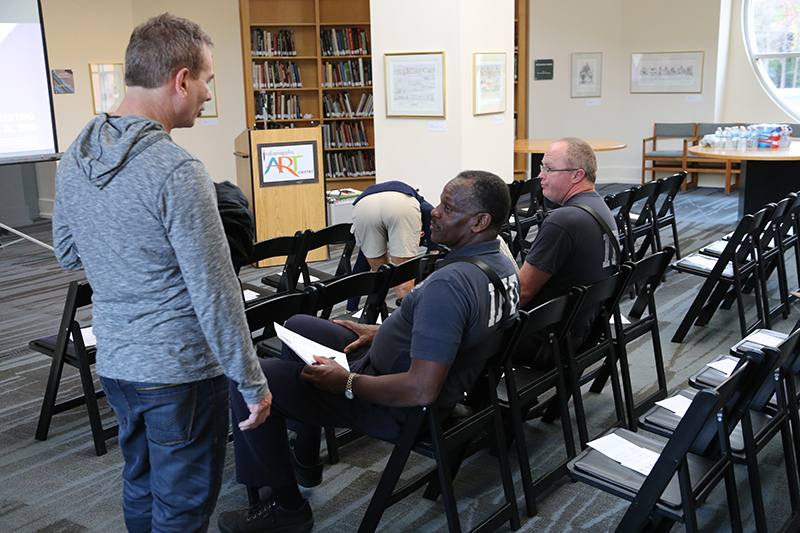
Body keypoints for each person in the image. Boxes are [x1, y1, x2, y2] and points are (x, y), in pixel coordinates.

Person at [51, 13, 271, 532]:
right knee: (184, 506)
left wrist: (125, 260)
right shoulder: (178, 171)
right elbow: (217, 295)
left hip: (118, 361)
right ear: (180, 80)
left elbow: (67, 253)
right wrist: (253, 383)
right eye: (208, 83)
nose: (208, 96)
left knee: (142, 484)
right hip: (180, 371)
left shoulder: (74, 157)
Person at [218, 171, 520, 533]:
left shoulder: (451, 284)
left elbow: (420, 389)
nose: (434, 212)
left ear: (479, 222)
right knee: (300, 324)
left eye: (448, 207)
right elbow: (454, 332)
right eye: (439, 202)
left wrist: (345, 382)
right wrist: (385, 332)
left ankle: (287, 509)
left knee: (250, 379)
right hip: (409, 372)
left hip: (396, 403)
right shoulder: (502, 265)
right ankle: (305, 456)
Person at [518, 137, 618, 353]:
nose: (540, 176)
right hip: (580, 332)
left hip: (546, 339)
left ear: (577, 175)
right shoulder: (600, 208)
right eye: (542, 167)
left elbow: (523, 291)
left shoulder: (564, 220)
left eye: (549, 169)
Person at [350, 180, 438, 301]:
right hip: (400, 205)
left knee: (380, 277)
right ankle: (406, 318)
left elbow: (361, 265)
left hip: (363, 206)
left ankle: (378, 316)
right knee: (403, 279)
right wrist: (434, 251)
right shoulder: (418, 202)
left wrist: (351, 307)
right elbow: (429, 210)